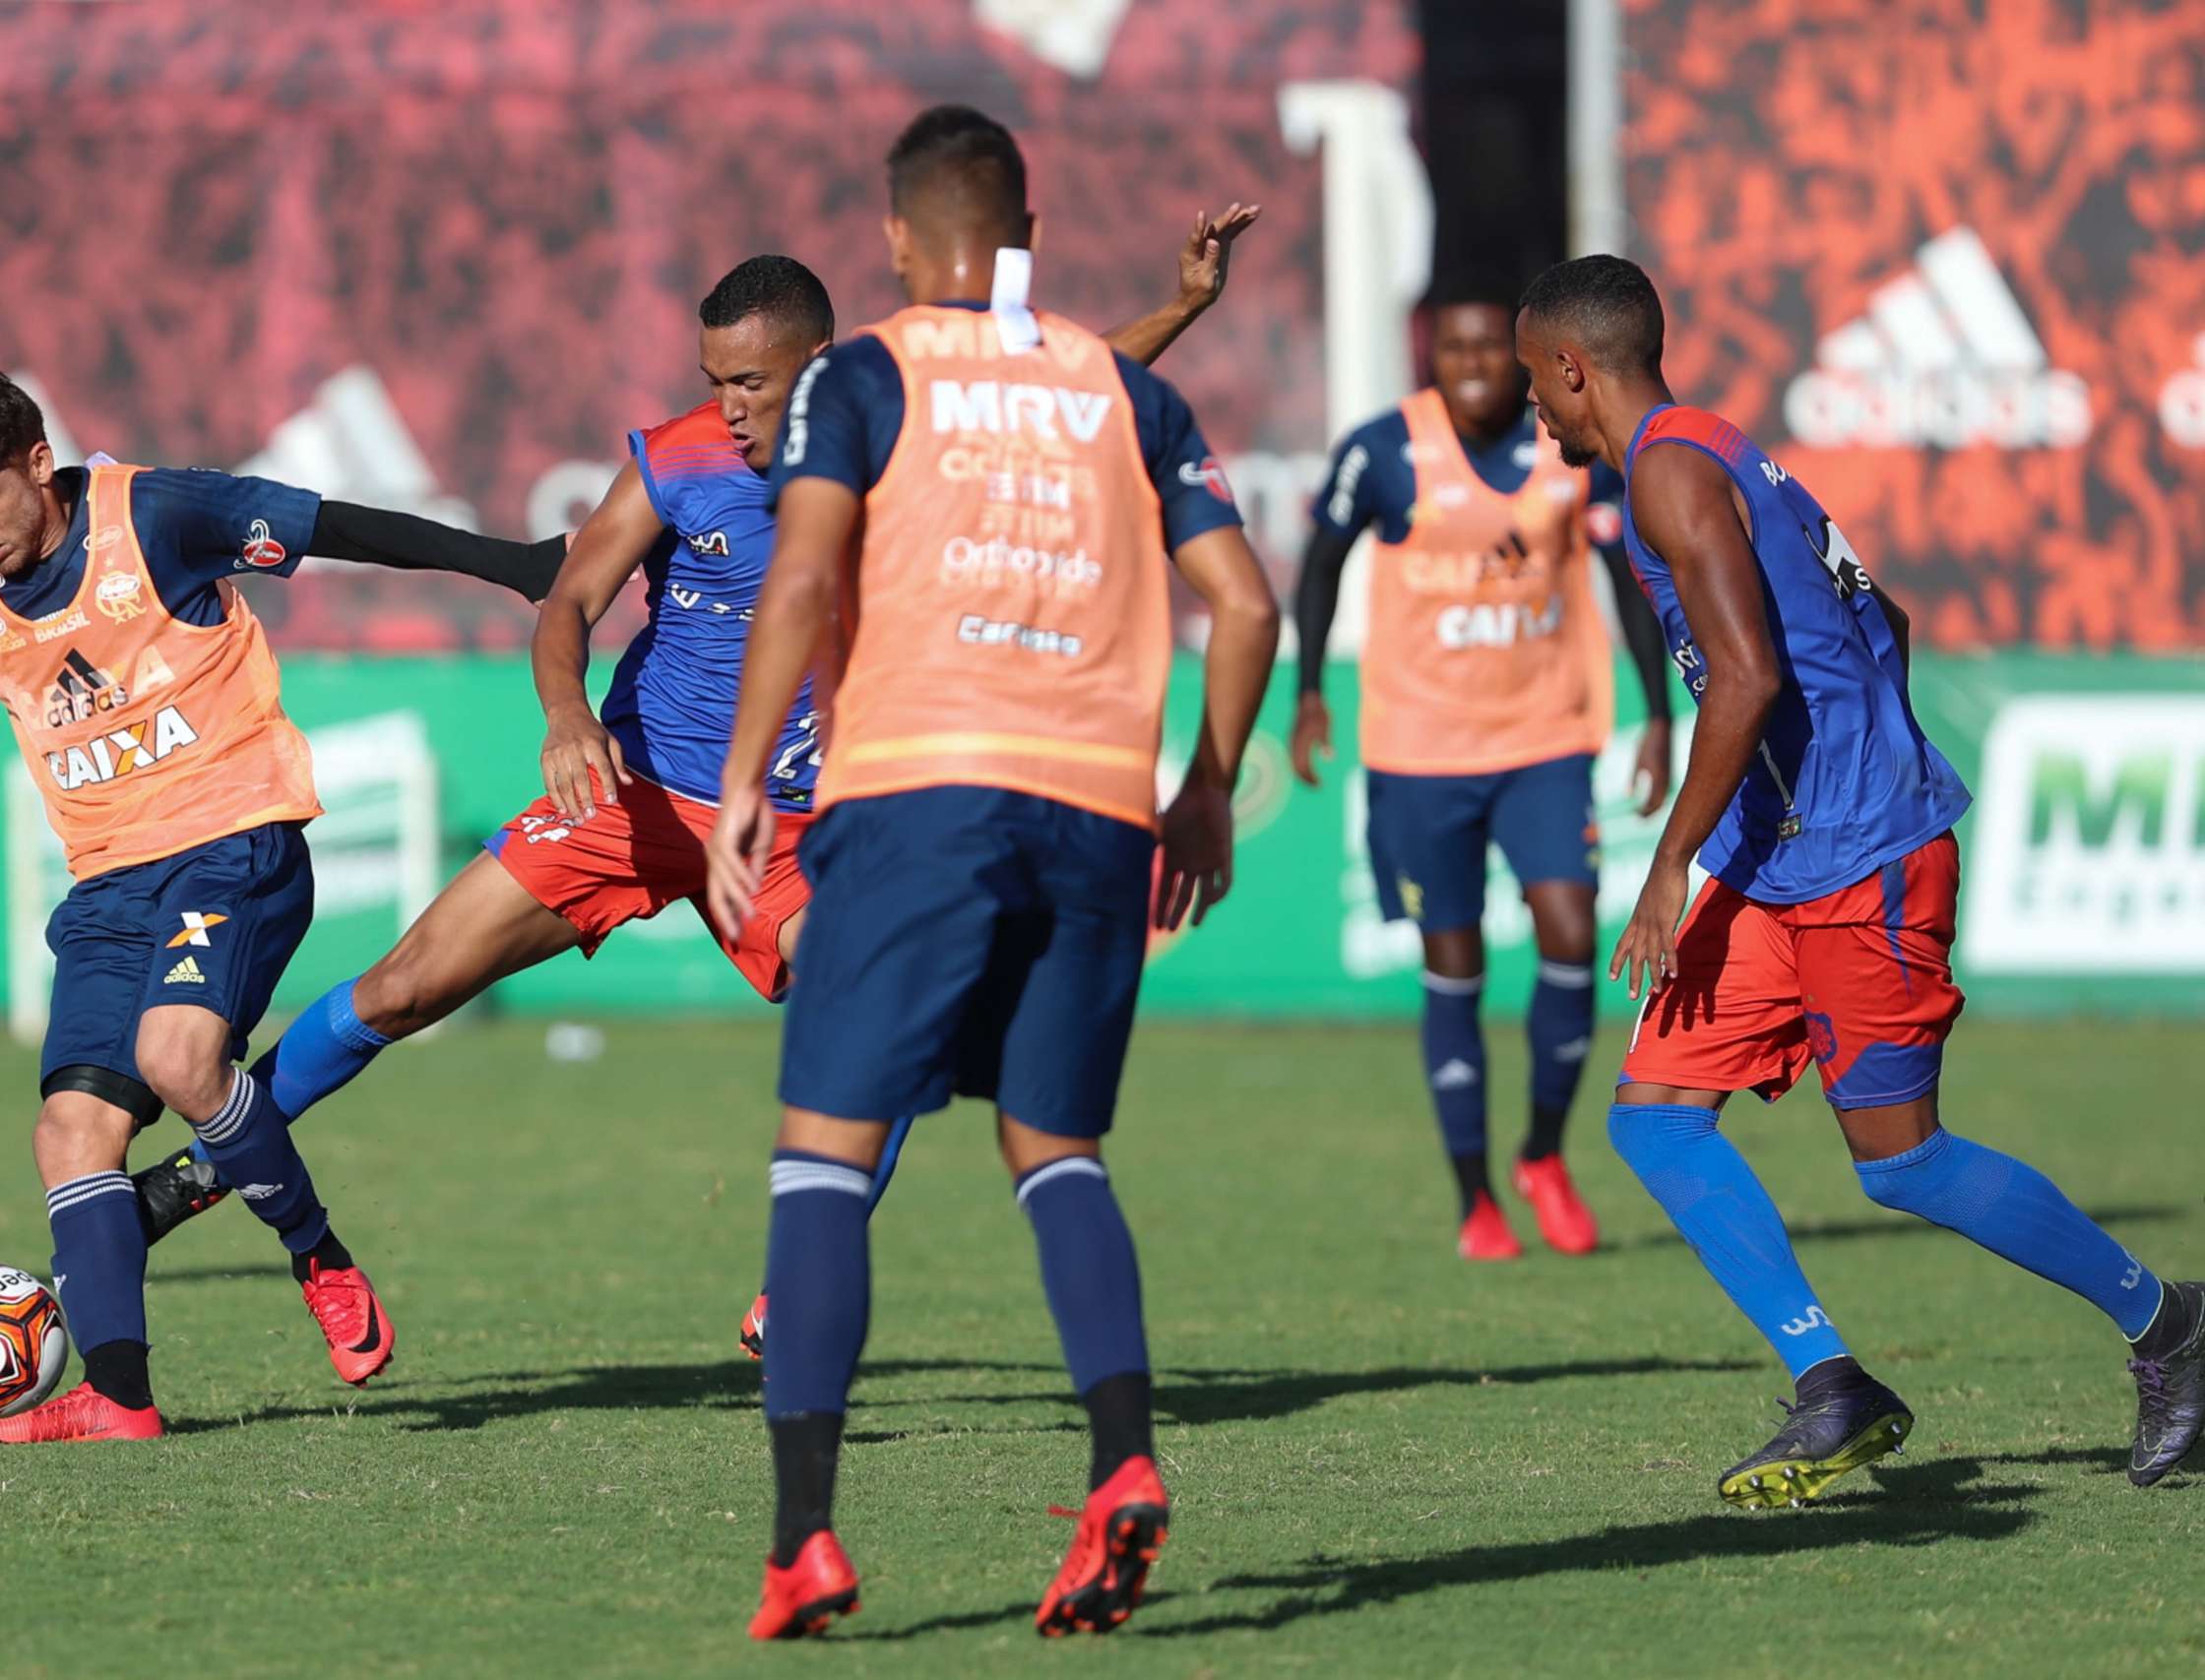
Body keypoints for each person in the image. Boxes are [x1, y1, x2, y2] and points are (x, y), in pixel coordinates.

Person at [124, 221, 1261, 1373]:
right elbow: (568, 603)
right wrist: (566, 715)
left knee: (886, 1008)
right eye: (711, 379)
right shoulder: (679, 458)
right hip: (635, 795)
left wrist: (1183, 306)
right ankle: (207, 1168)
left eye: (750, 382)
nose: (725, 406)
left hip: (794, 829)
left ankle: (801, 1282)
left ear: (821, 368)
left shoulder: (905, 447)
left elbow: (1062, 390)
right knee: (404, 987)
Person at [0, 370, 564, 1443]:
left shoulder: (155, 515)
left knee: (180, 1060)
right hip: (106, 885)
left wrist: (520, 568)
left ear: (37, 464)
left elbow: (337, 526)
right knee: (69, 1133)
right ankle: (118, 1395)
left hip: (233, 846)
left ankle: (317, 1256)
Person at [704, 105, 1278, 1639]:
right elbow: (1246, 601)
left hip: (916, 795)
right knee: (1058, 1151)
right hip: (1096, 810)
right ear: (1025, 225)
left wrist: (746, 776)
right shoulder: (1118, 388)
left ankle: (804, 1541)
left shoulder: (863, 375)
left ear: (896, 238)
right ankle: (1122, 1461)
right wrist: (1206, 787)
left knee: (823, 1157)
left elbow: (810, 569)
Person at [1513, 254, 2204, 1505]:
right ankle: (1832, 1384)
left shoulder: (1669, 470)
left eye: (1534, 387)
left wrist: (1672, 859)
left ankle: (2169, 1327)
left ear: (1572, 368)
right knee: (1654, 1117)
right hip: (1779, 856)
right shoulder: (1716, 449)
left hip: (1856, 861)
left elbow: (1747, 677)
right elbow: (1883, 613)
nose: (1536, 414)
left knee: (1900, 1162)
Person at [1291, 270, 1672, 1262]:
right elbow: (1321, 562)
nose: (1469, 367)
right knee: (1451, 964)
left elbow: (1626, 578)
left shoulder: (1565, 449)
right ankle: (1475, 1199)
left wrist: (1658, 713)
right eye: (1449, 349)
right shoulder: (1382, 451)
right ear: (1431, 356)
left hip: (1544, 739)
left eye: (1483, 350)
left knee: (1569, 931)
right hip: (1419, 754)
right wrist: (1306, 694)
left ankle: (1542, 1154)